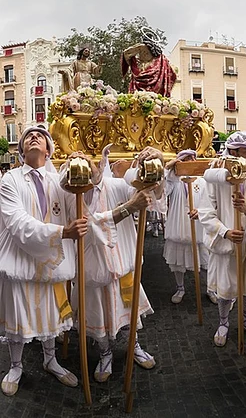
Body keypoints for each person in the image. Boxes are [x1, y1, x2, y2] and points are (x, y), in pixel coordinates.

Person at [0, 126, 88, 396]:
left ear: (49, 150)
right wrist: (62, 232)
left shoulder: (59, 181)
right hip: (21, 262)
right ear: (22, 150)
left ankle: (51, 360)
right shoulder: (9, 180)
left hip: (53, 263)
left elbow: (80, 207)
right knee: (19, 314)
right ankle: (15, 366)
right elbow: (17, 223)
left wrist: (85, 171)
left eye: (39, 136)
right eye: (28, 137)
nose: (33, 138)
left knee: (51, 315)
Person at [65, 145, 163, 383]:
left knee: (129, 313)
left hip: (123, 267)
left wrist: (153, 167)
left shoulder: (117, 186)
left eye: (88, 159)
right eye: (77, 161)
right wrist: (128, 208)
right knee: (98, 318)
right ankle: (105, 353)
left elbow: (152, 192)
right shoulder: (70, 197)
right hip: (92, 271)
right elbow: (90, 225)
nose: (85, 164)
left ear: (99, 164)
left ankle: (134, 345)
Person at [198, 131, 246, 347]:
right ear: (233, 152)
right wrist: (226, 232)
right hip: (227, 243)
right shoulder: (216, 176)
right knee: (226, 288)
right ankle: (223, 322)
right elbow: (205, 211)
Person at [162, 149, 210, 304]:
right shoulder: (173, 181)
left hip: (198, 224)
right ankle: (180, 287)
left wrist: (201, 212)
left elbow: (209, 201)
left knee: (205, 261)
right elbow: (161, 190)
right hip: (178, 223)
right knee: (177, 262)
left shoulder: (202, 181)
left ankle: (211, 289)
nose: (189, 163)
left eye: (191, 159)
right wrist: (167, 168)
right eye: (185, 160)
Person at [121, 28, 177, 97]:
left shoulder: (161, 62)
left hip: (156, 98)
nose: (143, 53)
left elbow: (126, 53)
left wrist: (138, 48)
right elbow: (126, 53)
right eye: (142, 51)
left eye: (146, 52)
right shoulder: (143, 65)